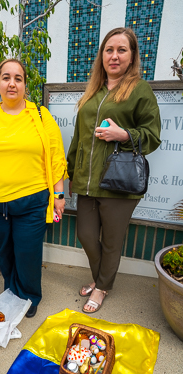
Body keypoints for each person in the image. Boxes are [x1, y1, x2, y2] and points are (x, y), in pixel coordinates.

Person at [0, 58, 67, 318]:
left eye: (18, 78)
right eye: (6, 77)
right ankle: (11, 290)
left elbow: (55, 157)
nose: (12, 83)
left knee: (27, 252)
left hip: (31, 201)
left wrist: (59, 195)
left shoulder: (40, 116)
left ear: (24, 85)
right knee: (4, 250)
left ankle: (28, 297)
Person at [67, 27, 161, 313]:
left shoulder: (139, 90)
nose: (115, 56)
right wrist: (71, 173)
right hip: (86, 180)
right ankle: (101, 279)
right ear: (102, 56)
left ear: (132, 56)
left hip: (118, 182)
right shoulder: (93, 91)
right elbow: (78, 137)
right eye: (109, 50)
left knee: (111, 240)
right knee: (85, 234)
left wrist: (125, 136)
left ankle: (102, 288)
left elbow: (153, 136)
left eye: (122, 50)